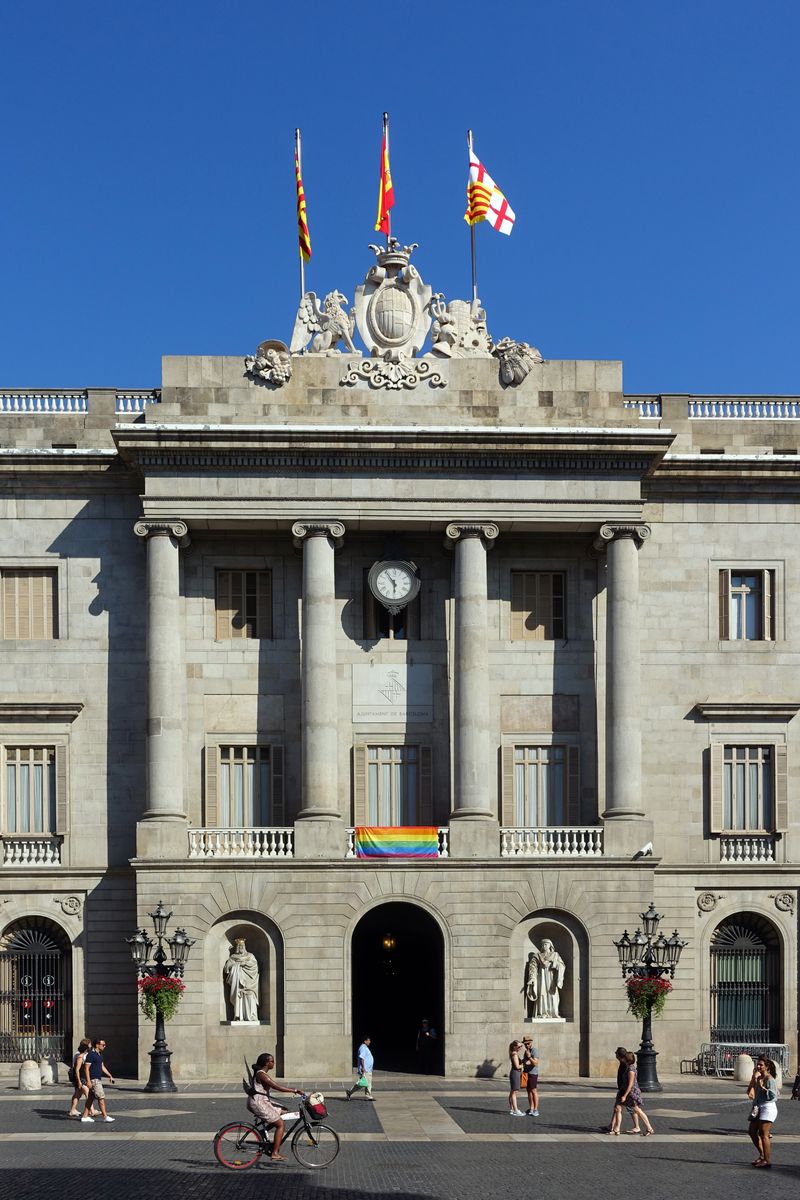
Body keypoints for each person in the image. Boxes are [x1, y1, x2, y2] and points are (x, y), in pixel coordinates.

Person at [248, 1051, 304, 1162]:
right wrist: (295, 1091)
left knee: (284, 1110)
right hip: (259, 1104)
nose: (274, 1063)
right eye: (272, 1061)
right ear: (266, 1063)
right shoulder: (261, 1074)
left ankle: (266, 1131)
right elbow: (277, 1087)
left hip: (263, 1102)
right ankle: (275, 1153)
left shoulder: (261, 1073)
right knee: (280, 1124)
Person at [747, 1056, 778, 1168]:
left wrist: (763, 1088)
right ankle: (762, 1155)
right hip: (757, 1108)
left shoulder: (770, 1079)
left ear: (767, 1067)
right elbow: (749, 1093)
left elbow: (774, 1096)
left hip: (768, 1108)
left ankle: (767, 1160)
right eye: (758, 1064)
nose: (758, 1066)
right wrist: (753, 1079)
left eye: (761, 1065)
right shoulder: (758, 1077)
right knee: (751, 1131)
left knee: (763, 1134)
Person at [223, 937, 260, 1022]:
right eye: (239, 946)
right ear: (237, 948)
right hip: (237, 983)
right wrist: (236, 965)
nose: (241, 948)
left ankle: (252, 1016)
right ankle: (239, 1016)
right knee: (238, 998)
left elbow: (255, 966)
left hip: (249, 982)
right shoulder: (233, 957)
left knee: (250, 996)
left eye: (242, 946)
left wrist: (245, 963)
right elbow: (226, 968)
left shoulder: (250, 956)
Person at [81, 1037, 115, 1123]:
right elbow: (86, 1068)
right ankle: (105, 1116)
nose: (105, 1046)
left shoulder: (99, 1055)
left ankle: (85, 1116)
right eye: (103, 1045)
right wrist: (88, 1081)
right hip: (94, 1080)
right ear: (97, 1045)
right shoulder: (91, 1054)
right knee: (101, 1098)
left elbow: (102, 1066)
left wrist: (110, 1075)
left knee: (90, 1099)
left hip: (97, 1079)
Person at [67, 1037, 93, 1119]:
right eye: (89, 1045)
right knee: (88, 1093)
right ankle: (92, 1110)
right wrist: (79, 1081)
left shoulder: (79, 1054)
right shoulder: (80, 1056)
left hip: (81, 1077)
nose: (90, 1047)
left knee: (78, 1094)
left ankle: (73, 1110)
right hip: (81, 1077)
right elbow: (78, 1069)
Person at [345, 1036, 375, 1100]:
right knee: (363, 1083)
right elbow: (362, 1058)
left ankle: (367, 1095)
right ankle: (350, 1092)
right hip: (365, 1069)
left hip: (368, 1069)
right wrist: (363, 1067)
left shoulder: (364, 1047)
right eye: (368, 1040)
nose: (370, 1042)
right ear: (365, 1041)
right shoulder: (363, 1048)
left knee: (365, 1083)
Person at [521, 1036, 540, 1116]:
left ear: (531, 1042)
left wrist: (529, 1057)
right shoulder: (526, 1051)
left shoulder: (535, 1050)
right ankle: (531, 1108)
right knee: (528, 1091)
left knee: (533, 1091)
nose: (527, 1045)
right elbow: (525, 1062)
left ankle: (535, 1109)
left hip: (533, 1073)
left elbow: (535, 1063)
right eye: (525, 1044)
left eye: (528, 1044)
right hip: (526, 1073)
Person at [508, 1040, 525, 1116]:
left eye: (521, 1046)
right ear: (514, 1046)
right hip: (515, 1073)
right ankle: (515, 1110)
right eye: (519, 1046)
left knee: (512, 1092)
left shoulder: (514, 1053)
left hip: (515, 1073)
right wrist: (523, 1065)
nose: (520, 1048)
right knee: (514, 1092)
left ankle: (512, 1109)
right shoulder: (514, 1054)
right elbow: (517, 1066)